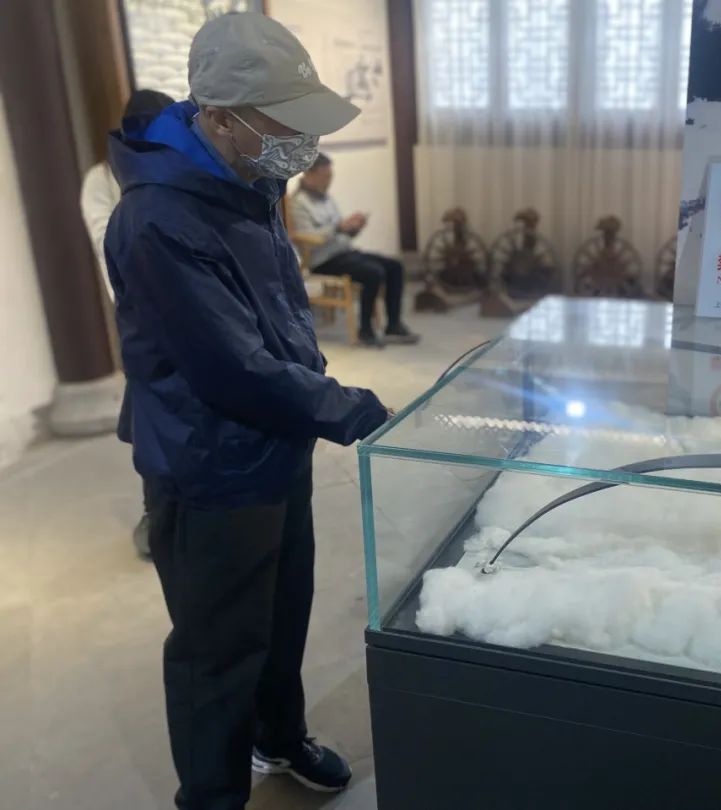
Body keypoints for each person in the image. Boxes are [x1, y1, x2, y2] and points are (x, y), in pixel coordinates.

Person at [104, 13, 390, 808]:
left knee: (282, 615)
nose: (301, 142)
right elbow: (231, 367)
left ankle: (279, 737)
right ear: (221, 119)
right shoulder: (158, 218)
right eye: (284, 122)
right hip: (211, 465)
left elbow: (279, 317)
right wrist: (350, 409)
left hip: (276, 445)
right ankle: (212, 795)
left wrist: (311, 400)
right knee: (217, 650)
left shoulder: (248, 178)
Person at [80, 88, 174, 560]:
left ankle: (180, 507)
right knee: (152, 416)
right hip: (144, 315)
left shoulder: (180, 165)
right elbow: (107, 244)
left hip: (188, 308)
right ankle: (155, 511)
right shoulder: (102, 180)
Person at [290, 153, 419, 347]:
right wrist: (339, 227)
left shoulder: (326, 198)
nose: (329, 181)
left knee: (395, 266)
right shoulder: (298, 202)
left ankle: (393, 325)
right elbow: (308, 237)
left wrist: (353, 227)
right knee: (373, 272)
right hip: (323, 260)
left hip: (344, 253)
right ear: (309, 174)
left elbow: (340, 231)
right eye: (325, 177)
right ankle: (365, 331)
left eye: (330, 176)